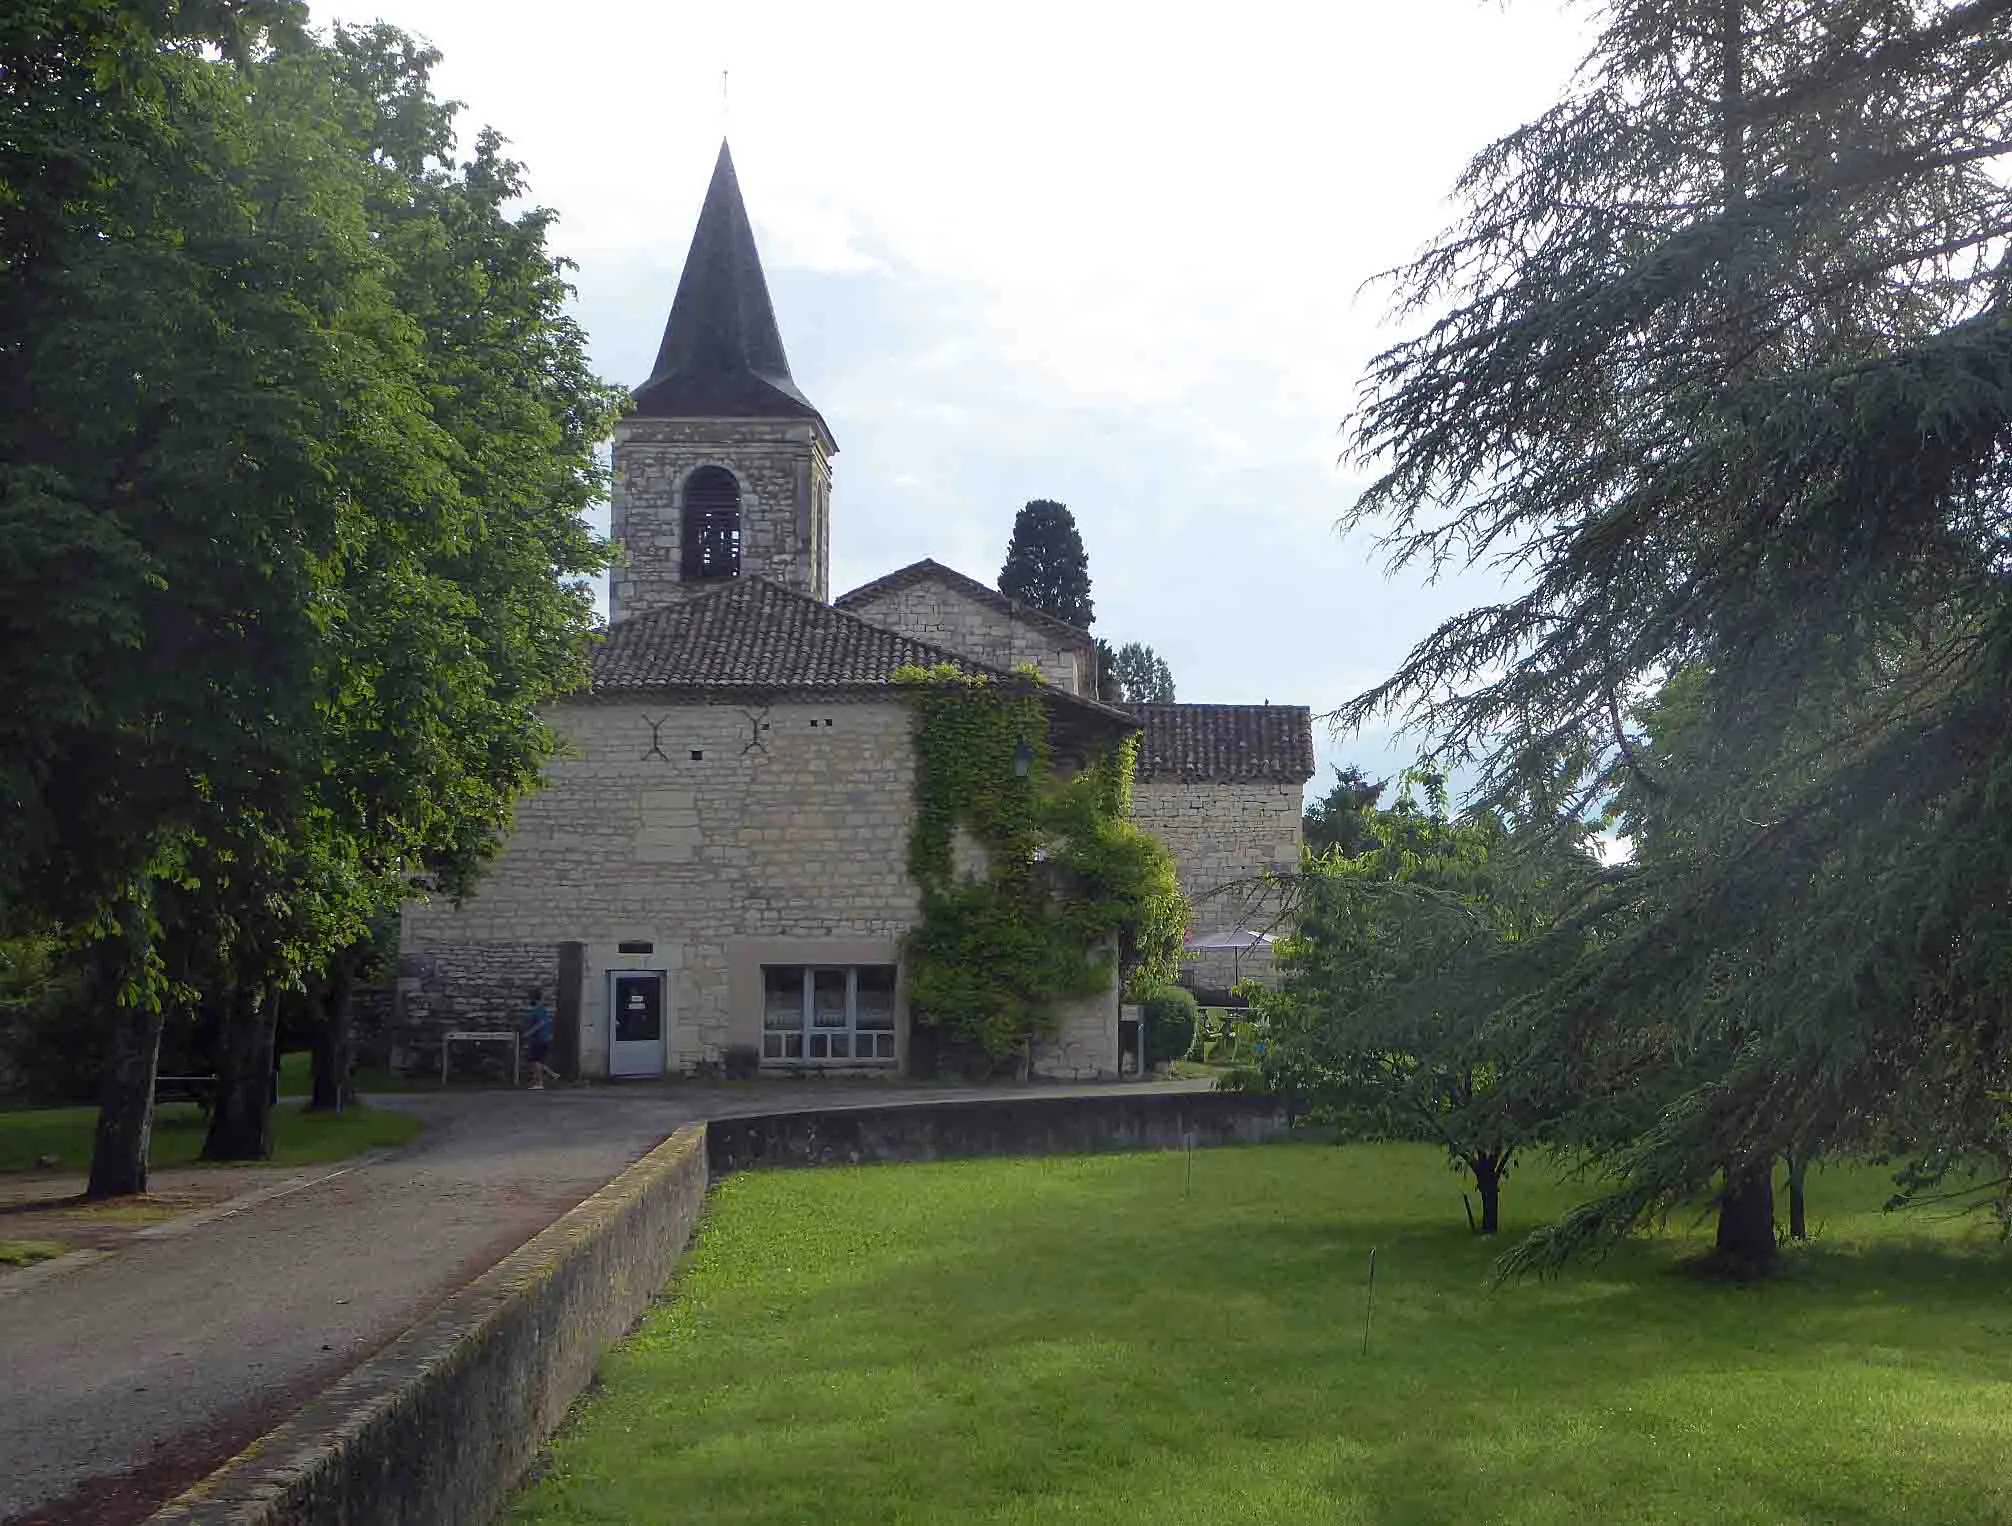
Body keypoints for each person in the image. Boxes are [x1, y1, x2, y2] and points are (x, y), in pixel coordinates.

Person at [524, 986, 555, 1089]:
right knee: (537, 1061)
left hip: (539, 1039)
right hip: (542, 1038)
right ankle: (550, 1076)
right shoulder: (541, 1009)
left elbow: (541, 1023)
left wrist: (529, 1032)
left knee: (536, 1061)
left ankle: (539, 1083)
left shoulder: (538, 1010)